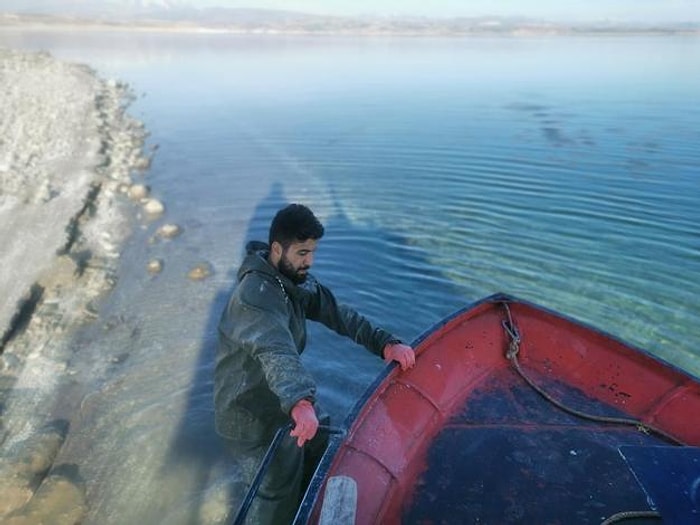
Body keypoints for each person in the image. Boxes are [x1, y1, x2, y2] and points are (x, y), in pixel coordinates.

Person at [214, 203, 415, 524]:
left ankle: (310, 509)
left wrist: (384, 343)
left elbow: (337, 312)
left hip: (282, 400)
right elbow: (275, 349)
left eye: (312, 252)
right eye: (302, 253)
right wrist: (299, 401)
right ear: (277, 249)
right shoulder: (255, 296)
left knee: (322, 444)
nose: (310, 261)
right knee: (274, 493)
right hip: (248, 414)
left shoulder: (290, 279)